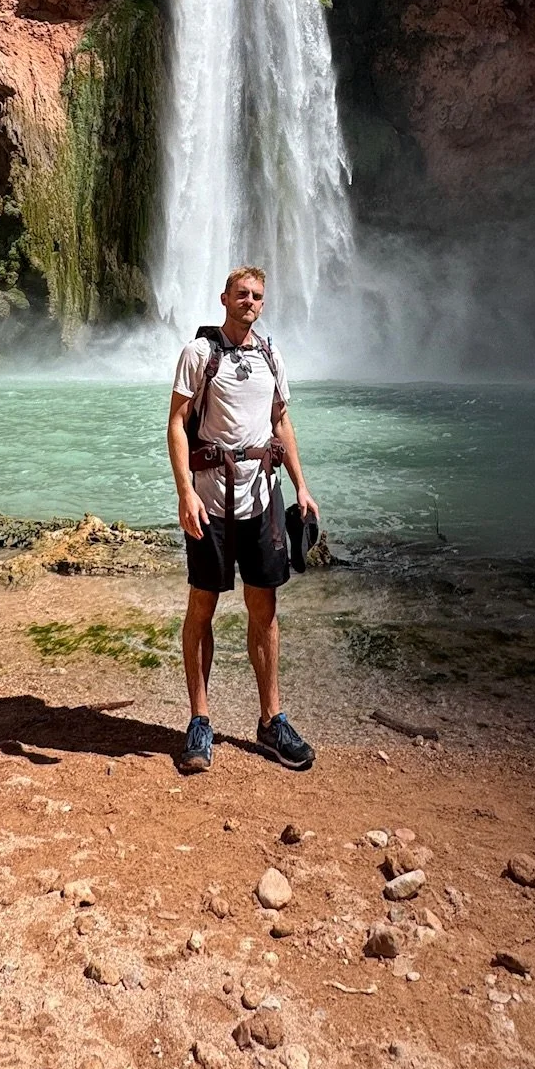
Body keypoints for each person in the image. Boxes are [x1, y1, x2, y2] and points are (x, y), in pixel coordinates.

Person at [167, 265, 319, 774]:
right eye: (241, 294)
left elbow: (281, 421)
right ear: (224, 298)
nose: (249, 301)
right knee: (201, 608)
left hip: (262, 499)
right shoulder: (199, 354)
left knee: (264, 609)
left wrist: (301, 485)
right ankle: (200, 720)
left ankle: (271, 719)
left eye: (256, 296)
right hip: (209, 503)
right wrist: (185, 491)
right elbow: (176, 424)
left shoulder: (271, 353)